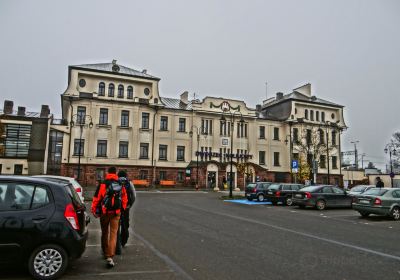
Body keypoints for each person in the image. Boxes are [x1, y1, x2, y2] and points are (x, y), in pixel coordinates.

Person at [91, 167, 128, 268]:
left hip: (105, 212)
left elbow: (96, 198)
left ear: (107, 173)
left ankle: (105, 252)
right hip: (116, 213)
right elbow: (125, 197)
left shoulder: (103, 183)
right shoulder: (120, 184)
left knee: (104, 232)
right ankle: (110, 256)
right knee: (113, 234)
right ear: (115, 173)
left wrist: (94, 210)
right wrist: (122, 208)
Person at [115, 170, 136, 254]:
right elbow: (133, 195)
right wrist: (129, 205)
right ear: (126, 175)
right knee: (125, 225)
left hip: (116, 207)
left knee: (116, 225)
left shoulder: (115, 182)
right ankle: (123, 241)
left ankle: (116, 242)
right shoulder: (129, 183)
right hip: (126, 207)